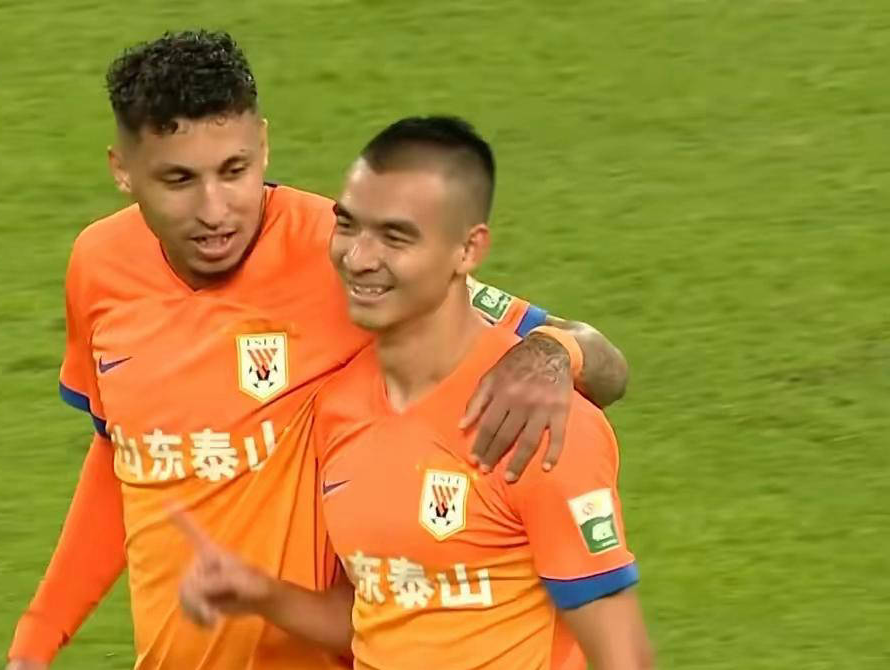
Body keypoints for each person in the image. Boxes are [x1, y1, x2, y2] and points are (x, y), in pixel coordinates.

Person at [5, 31, 631, 670]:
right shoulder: (99, 267)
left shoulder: (350, 256)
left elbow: (603, 362)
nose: (215, 210)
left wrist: (553, 352)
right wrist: (37, 638)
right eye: (179, 180)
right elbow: (125, 456)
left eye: (235, 170)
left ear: (264, 145)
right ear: (123, 170)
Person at [174, 116, 653, 669]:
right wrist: (261, 592)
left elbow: (624, 657)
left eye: (395, 237)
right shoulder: (338, 407)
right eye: (348, 225)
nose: (358, 258)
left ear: (468, 250)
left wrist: (559, 350)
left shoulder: (536, 421)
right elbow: (381, 612)